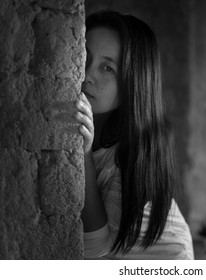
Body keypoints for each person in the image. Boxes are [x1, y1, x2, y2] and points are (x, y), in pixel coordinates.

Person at [74, 10, 194, 259]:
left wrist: (83, 154)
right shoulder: (96, 125)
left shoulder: (134, 152)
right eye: (84, 57)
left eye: (107, 68)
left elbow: (95, 248)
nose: (87, 75)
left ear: (133, 83)